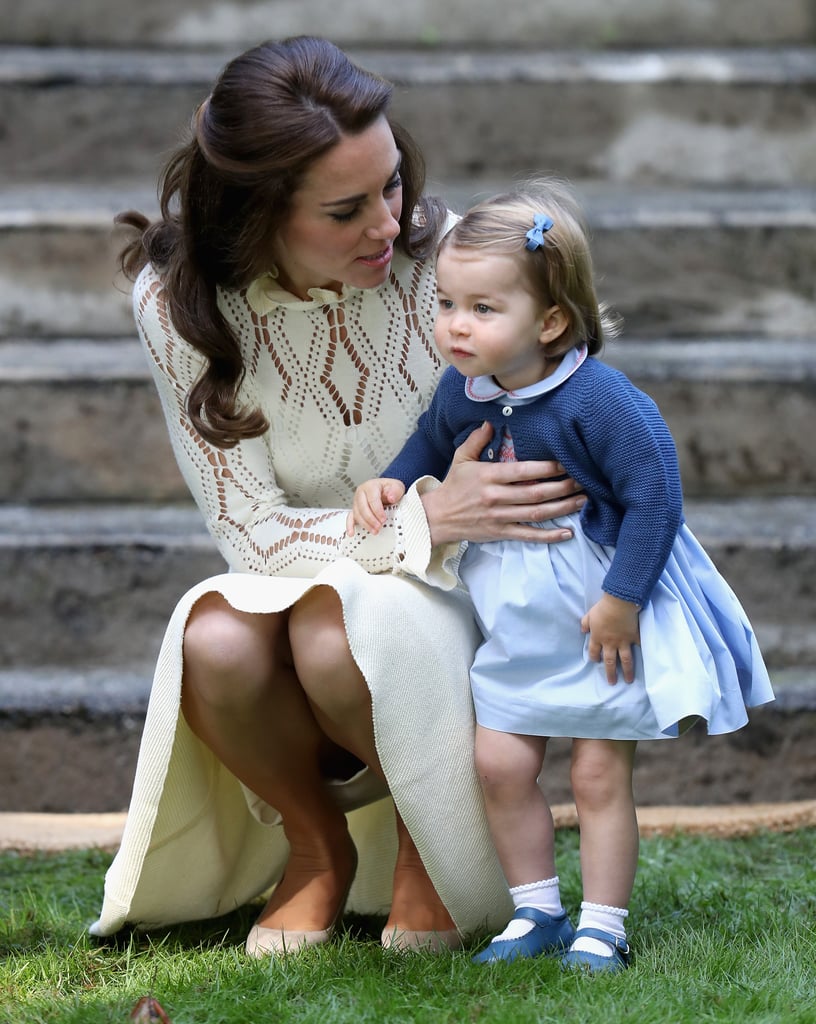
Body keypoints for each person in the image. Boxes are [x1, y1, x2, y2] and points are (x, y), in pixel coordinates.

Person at [89, 38, 588, 957]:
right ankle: (314, 845)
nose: (388, 225)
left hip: (474, 587)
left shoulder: (453, 259)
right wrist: (419, 521)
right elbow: (249, 531)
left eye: (392, 185)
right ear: (256, 213)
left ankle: (426, 843)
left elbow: (549, 463)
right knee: (216, 637)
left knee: (334, 630)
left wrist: (445, 531)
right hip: (337, 566)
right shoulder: (179, 301)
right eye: (346, 208)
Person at [349, 177, 775, 973]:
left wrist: (623, 603)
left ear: (549, 320)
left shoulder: (600, 401)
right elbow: (428, 445)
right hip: (513, 618)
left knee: (596, 769)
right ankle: (536, 910)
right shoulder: (464, 389)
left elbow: (656, 500)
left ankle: (603, 924)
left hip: (595, 615)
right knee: (502, 762)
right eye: (446, 303)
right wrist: (393, 481)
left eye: (482, 308)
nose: (455, 325)